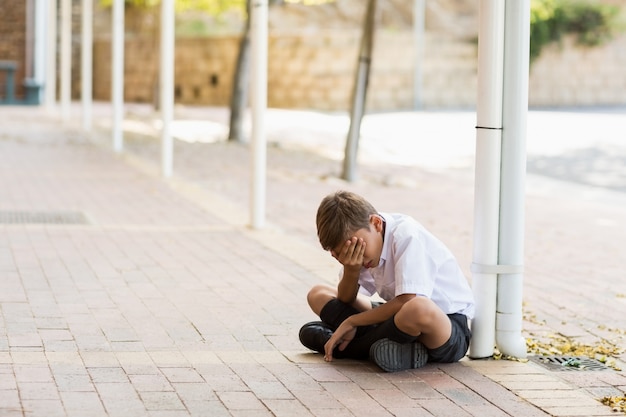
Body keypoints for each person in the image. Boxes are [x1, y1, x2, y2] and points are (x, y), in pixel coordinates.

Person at [299, 190, 475, 372]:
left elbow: (408, 300)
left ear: (376, 223)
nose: (356, 254)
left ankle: (350, 348)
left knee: (418, 307)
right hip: (396, 319)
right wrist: (352, 270)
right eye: (344, 254)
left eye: (358, 247)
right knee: (318, 294)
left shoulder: (406, 235)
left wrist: (352, 322)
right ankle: (388, 348)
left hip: (444, 327)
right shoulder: (368, 244)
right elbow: (345, 300)